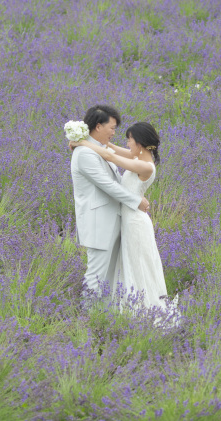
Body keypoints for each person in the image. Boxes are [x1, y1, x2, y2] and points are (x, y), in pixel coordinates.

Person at [70, 122, 175, 319]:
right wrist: (92, 141)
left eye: (130, 140)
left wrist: (82, 143)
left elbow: (110, 156)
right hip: (128, 219)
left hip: (135, 222)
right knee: (128, 263)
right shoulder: (138, 156)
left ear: (140, 144)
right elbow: (110, 149)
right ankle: (128, 308)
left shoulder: (144, 165)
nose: (127, 143)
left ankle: (141, 311)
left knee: (137, 264)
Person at [70, 105, 150, 305]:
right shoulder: (85, 154)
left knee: (109, 275)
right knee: (96, 274)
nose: (114, 133)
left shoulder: (98, 149)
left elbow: (123, 160)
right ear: (98, 126)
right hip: (98, 221)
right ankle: (88, 315)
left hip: (111, 218)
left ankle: (104, 313)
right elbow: (107, 185)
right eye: (112, 128)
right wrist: (136, 201)